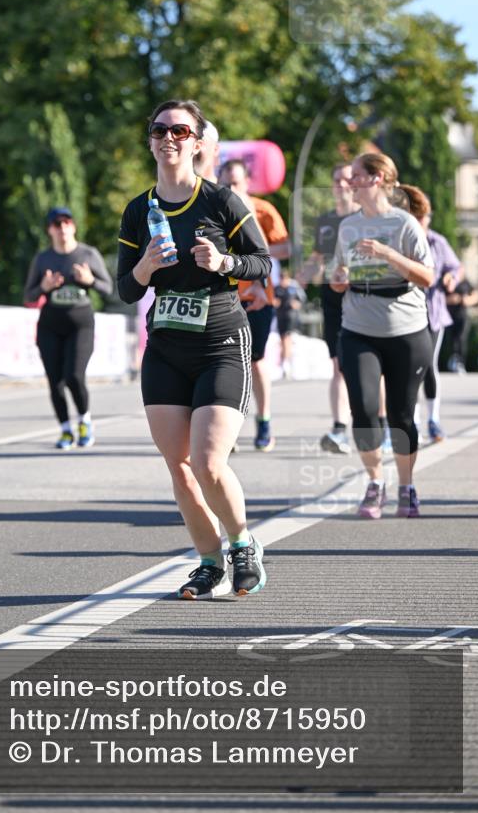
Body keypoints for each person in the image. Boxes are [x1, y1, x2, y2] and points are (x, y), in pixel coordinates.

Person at [117, 99, 272, 598]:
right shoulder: (138, 210)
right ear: (150, 141)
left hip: (221, 343)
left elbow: (262, 263)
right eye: (159, 130)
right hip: (165, 347)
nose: (169, 138)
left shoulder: (222, 201)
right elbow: (126, 289)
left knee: (207, 462)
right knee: (179, 469)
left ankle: (243, 545)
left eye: (181, 131)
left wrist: (224, 261)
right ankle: (208, 562)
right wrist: (144, 267)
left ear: (198, 142)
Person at [330, 153, 434, 520]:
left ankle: (406, 485)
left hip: (406, 329)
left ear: (376, 180)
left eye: (356, 176)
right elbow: (338, 274)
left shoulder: (404, 224)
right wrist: (338, 279)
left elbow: (427, 277)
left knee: (402, 416)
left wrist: (388, 253)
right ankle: (376, 483)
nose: (349, 183)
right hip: (359, 329)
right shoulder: (347, 227)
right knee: (363, 411)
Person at [24, 207, 113, 449]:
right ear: (49, 230)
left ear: (73, 226)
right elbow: (28, 297)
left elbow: (109, 289)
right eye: (56, 224)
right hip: (50, 326)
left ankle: (85, 421)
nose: (62, 228)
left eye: (66, 222)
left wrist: (90, 281)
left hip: (80, 325)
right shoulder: (43, 259)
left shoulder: (88, 254)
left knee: (74, 376)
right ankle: (65, 430)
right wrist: (43, 286)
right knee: (55, 381)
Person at [217, 159, 290, 451]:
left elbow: (285, 248)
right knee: (225, 364)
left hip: (258, 298)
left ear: (247, 183)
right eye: (225, 183)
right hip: (223, 296)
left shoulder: (263, 210)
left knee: (256, 361)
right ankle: (226, 428)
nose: (230, 189)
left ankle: (263, 420)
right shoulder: (214, 210)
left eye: (235, 183)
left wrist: (252, 247)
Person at [298, 163, 357, 453]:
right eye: (337, 179)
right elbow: (317, 258)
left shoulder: (366, 217)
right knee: (338, 366)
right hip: (332, 298)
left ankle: (381, 426)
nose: (342, 184)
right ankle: (339, 429)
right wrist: (298, 281)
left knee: (374, 366)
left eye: (347, 179)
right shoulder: (326, 220)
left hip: (361, 297)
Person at [400, 184, 462, 441]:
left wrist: (451, 278)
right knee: (408, 367)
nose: (424, 221)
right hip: (406, 312)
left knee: (427, 365)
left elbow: (456, 267)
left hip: (433, 313)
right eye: (420, 216)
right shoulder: (402, 240)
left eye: (426, 217)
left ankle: (433, 419)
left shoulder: (438, 241)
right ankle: (411, 422)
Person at [273, 267, 306, 378]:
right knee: (282, 340)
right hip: (280, 317)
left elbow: (301, 300)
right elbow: (273, 301)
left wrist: (296, 304)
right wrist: (274, 303)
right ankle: (285, 363)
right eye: (281, 278)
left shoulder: (293, 288)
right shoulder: (277, 289)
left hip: (291, 317)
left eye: (284, 278)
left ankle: (287, 364)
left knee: (287, 339)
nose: (283, 280)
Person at [445, 277, 478, 374]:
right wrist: (451, 299)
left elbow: (475, 295)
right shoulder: (448, 279)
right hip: (449, 316)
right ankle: (453, 360)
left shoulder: (466, 282)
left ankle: (460, 362)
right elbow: (439, 298)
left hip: (463, 316)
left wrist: (467, 300)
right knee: (451, 340)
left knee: (461, 339)